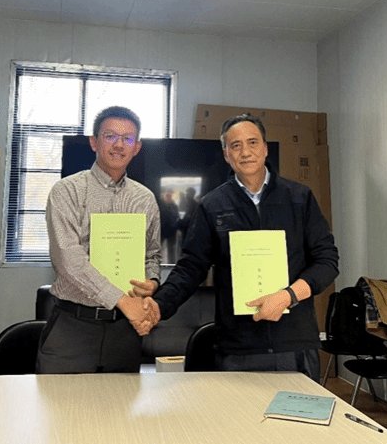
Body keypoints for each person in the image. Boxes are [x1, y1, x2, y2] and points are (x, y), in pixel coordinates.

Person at [142, 114, 339, 381]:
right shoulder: (212, 205)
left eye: (252, 142)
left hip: (294, 343)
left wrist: (288, 296)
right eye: (235, 145)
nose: (245, 152)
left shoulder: (299, 198)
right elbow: (191, 267)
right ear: (226, 154)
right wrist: (159, 305)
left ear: (265, 148)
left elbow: (327, 261)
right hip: (237, 347)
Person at [37, 106, 161, 374]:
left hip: (124, 332)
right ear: (94, 142)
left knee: (121, 400)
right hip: (73, 327)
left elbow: (152, 254)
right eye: (110, 136)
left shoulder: (145, 198)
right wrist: (123, 301)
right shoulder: (67, 191)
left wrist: (151, 282)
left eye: (128, 138)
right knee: (61, 401)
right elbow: (68, 260)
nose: (119, 145)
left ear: (137, 147)